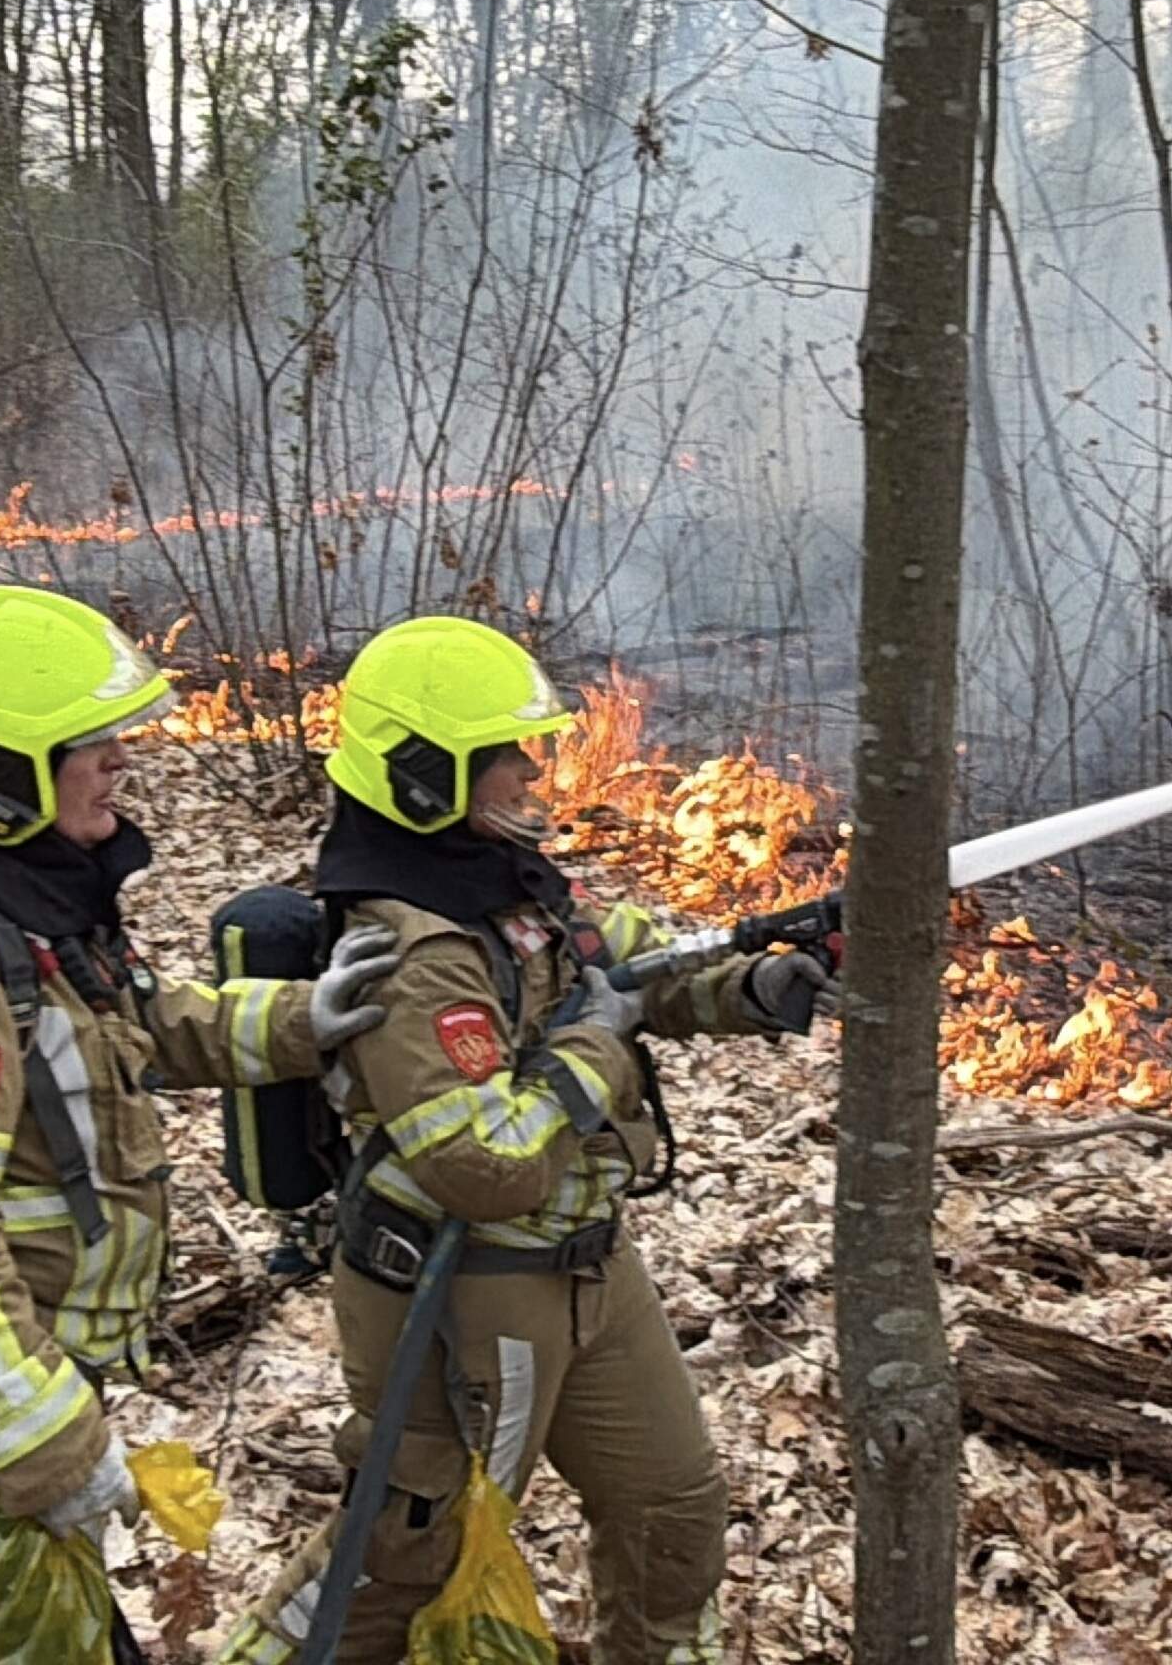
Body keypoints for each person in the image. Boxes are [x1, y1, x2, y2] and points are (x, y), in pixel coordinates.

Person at [215, 615, 836, 1665]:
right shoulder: (406, 943)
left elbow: (624, 960)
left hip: (591, 1267)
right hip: (467, 1290)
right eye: (506, 753)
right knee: (414, 1546)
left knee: (672, 1509)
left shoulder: (507, 882)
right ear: (426, 776)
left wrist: (755, 986)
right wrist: (598, 1053)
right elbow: (483, 1164)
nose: (531, 768)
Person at [0, 584, 396, 1660]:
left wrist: (305, 1019)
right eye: (89, 741)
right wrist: (53, 1447)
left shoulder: (10, 906)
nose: (122, 757)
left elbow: (126, 1025)